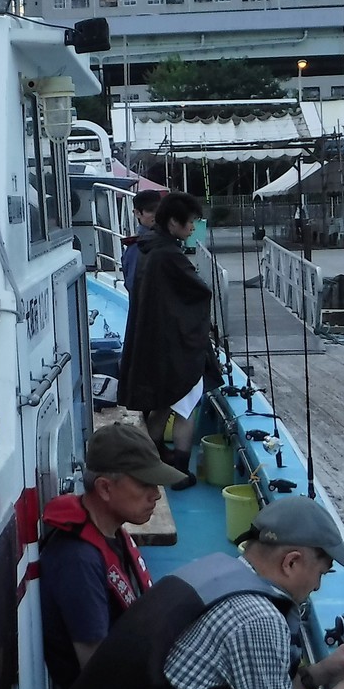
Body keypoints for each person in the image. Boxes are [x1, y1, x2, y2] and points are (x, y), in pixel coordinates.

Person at [67, 496, 344, 689]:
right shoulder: (258, 618)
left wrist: (321, 672)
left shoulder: (218, 569)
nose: (318, 586)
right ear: (291, 562)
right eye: (322, 572)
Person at [39, 423, 187, 689]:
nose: (155, 494)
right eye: (145, 484)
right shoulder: (78, 561)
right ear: (105, 488)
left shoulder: (110, 532)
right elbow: (99, 673)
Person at [117, 192, 212, 480]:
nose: (193, 228)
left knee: (160, 405)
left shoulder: (145, 248)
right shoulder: (169, 255)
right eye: (191, 222)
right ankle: (180, 471)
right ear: (174, 222)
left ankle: (155, 458)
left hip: (150, 341)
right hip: (174, 347)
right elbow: (199, 294)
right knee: (186, 405)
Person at [119, 187, 164, 291]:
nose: (156, 215)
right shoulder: (137, 246)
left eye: (159, 210)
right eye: (151, 210)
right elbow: (134, 286)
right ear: (137, 213)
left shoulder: (162, 239)